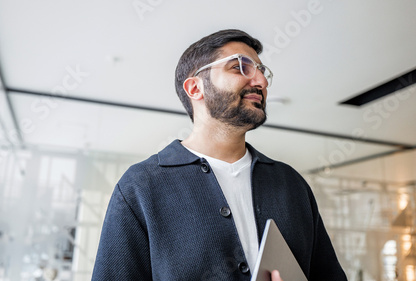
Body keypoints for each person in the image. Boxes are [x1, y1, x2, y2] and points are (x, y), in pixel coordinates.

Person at [92, 29, 347, 281]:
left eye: (261, 71)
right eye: (240, 67)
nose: (261, 81)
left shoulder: (291, 184)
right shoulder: (140, 186)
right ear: (195, 88)